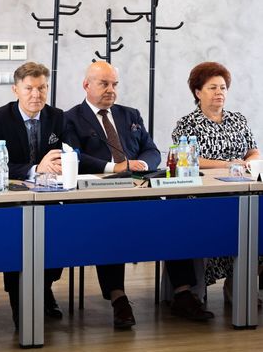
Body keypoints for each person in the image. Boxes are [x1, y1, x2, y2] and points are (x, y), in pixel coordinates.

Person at [65, 61, 214, 328]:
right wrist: (114, 167)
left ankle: (182, 293)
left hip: (140, 189)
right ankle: (118, 298)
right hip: (101, 195)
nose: (111, 90)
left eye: (114, 84)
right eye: (104, 84)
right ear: (86, 85)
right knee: (111, 222)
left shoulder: (130, 114)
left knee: (174, 215)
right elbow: (74, 157)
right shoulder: (70, 118)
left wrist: (142, 164)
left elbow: (152, 150)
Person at [0, 61, 64, 329]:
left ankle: (44, 287)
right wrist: (35, 168)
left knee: (62, 229)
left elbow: (68, 154)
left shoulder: (57, 117)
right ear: (15, 89)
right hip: (9, 198)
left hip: (49, 195)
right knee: (16, 238)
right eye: (29, 88)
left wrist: (61, 164)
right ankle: (19, 303)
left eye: (42, 88)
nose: (36, 95)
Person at [172, 61, 261, 303]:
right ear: (198, 92)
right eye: (212, 88)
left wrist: (248, 162)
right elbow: (187, 159)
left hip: (240, 190)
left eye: (223, 88)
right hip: (204, 193)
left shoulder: (238, 119)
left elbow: (253, 151)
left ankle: (239, 285)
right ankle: (194, 291)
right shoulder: (187, 123)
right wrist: (226, 164)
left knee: (256, 217)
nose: (219, 92)